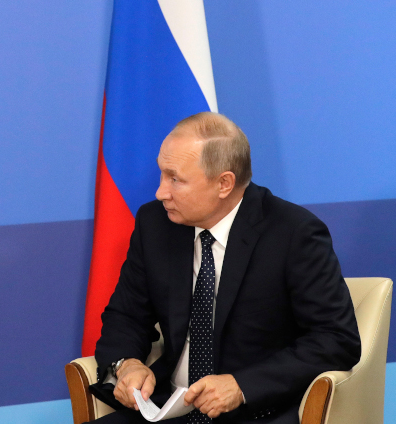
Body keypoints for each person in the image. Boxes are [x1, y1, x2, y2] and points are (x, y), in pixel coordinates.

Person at [92, 112, 360, 423]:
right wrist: (127, 364)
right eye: (162, 175)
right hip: (167, 408)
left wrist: (241, 386)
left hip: (255, 411)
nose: (160, 192)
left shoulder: (293, 234)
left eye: (175, 179)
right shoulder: (156, 224)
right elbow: (126, 315)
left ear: (224, 183)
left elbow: (336, 339)